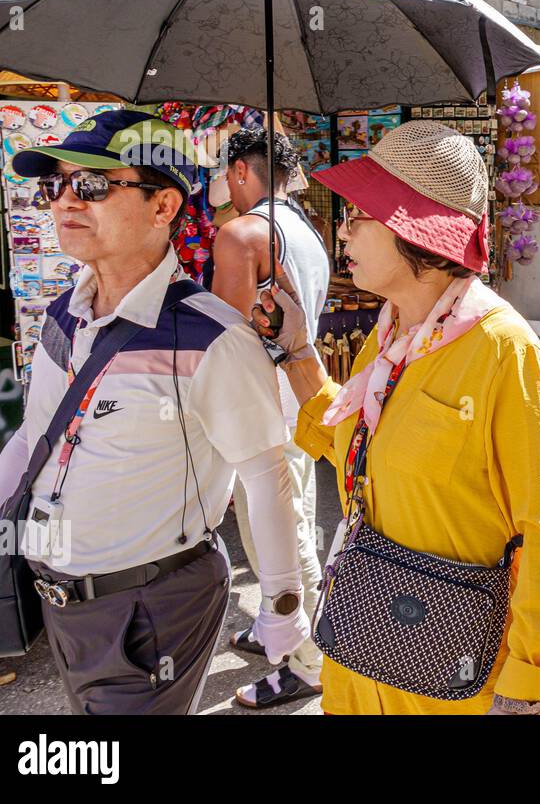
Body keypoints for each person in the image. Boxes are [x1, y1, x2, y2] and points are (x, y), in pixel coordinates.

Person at [0, 111, 308, 714]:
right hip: (61, 604)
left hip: (152, 610)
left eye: (93, 186)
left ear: (164, 207)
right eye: (55, 187)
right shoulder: (60, 316)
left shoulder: (213, 338)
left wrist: (282, 605)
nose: (65, 202)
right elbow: (33, 435)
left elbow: (265, 474)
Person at [255, 120, 540, 715]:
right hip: (363, 644)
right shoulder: (390, 336)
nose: (342, 231)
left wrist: (527, 690)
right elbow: (354, 446)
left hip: (451, 677)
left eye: (358, 216)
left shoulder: (504, 351)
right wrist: (297, 349)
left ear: (413, 230)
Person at [208, 128, 330, 709]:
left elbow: (220, 340)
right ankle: (276, 627)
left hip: (256, 413)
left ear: (239, 172)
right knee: (294, 519)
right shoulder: (307, 230)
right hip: (298, 401)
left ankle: (309, 663)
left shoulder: (240, 234)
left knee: (278, 536)